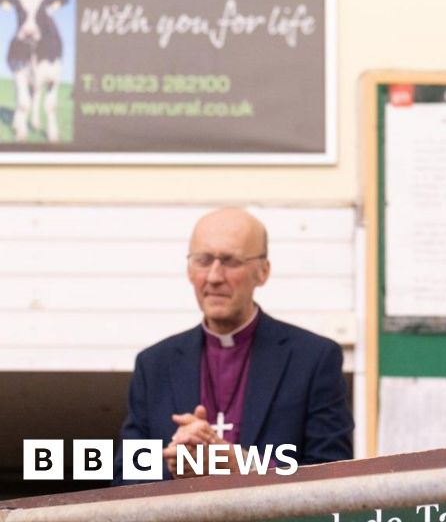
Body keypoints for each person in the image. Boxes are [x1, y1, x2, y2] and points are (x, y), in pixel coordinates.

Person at [113, 207, 353, 484]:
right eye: (203, 260)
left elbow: (333, 475)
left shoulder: (313, 359)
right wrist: (177, 462)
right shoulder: (154, 364)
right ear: (190, 271)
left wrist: (243, 465)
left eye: (230, 261)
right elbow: (125, 479)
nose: (214, 277)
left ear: (263, 272)